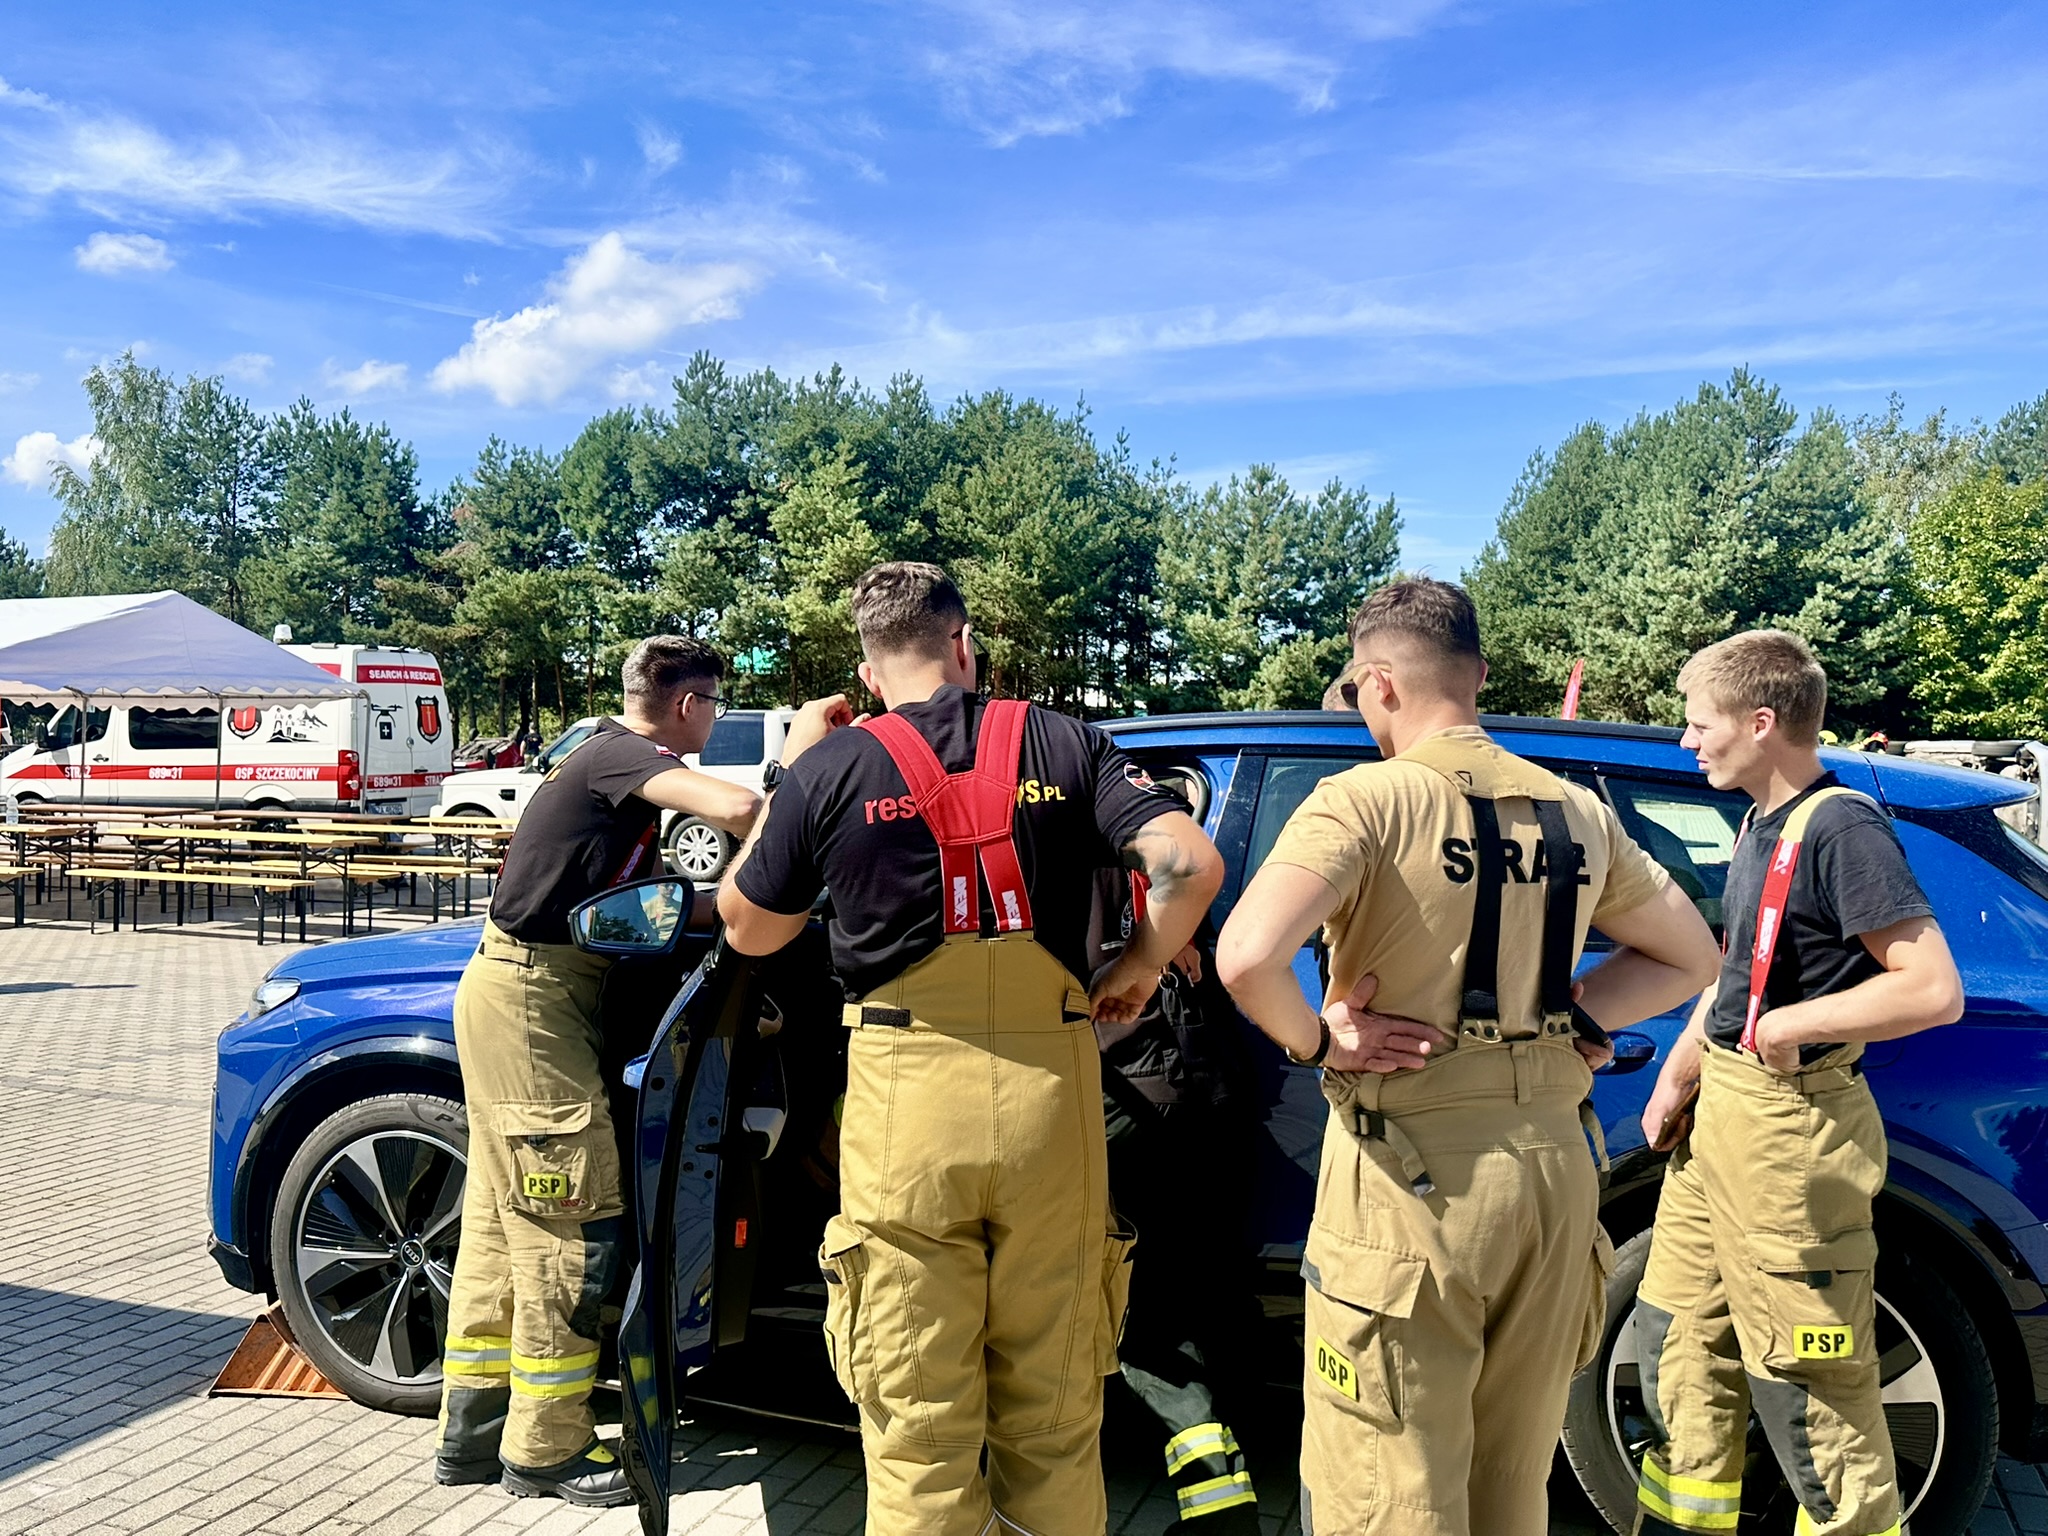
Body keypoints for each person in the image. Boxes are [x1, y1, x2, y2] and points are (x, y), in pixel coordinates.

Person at [717, 561, 1224, 1536]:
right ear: (963, 645)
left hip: (905, 1112)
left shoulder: (833, 764)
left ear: (868, 674)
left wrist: (789, 773)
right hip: (1051, 1104)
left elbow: (748, 928)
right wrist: (1140, 965)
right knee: (1054, 1416)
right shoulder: (1068, 742)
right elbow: (1189, 863)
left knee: (917, 1425)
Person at [1215, 577, 1721, 1536]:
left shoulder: (1361, 801)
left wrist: (1321, 1038)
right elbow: (1694, 957)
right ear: (1479, 675)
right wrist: (1565, 1012)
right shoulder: (1577, 811)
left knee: (1392, 1486)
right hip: (1553, 1174)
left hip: (1412, 1178)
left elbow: (1244, 956)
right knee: (1510, 1477)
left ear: (1376, 682)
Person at [1630, 632, 1963, 1536]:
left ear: (1761, 722)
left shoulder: (1842, 828)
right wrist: (1679, 1074)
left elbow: (1933, 989)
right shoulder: (1757, 823)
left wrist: (1790, 1026)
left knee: (1808, 1379)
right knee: (1678, 1341)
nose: (1687, 742)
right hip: (1721, 1121)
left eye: (1699, 724)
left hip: (1788, 1134)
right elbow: (1740, 975)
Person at [435, 637, 764, 1506]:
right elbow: (739, 806)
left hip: (527, 995)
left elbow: (655, 906)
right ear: (688, 704)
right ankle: (546, 1449)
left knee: (503, 1224)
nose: (715, 719)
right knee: (570, 1226)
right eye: (714, 704)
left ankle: (474, 1433)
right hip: (532, 1003)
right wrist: (786, 829)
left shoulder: (603, 769)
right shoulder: (620, 755)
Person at [1089, 861, 1266, 1534]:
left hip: (1130, 1105)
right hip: (1211, 1093)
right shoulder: (1160, 848)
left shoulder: (1055, 852)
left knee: (1144, 1326)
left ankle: (1220, 1509)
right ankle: (1234, 1481)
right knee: (1216, 1296)